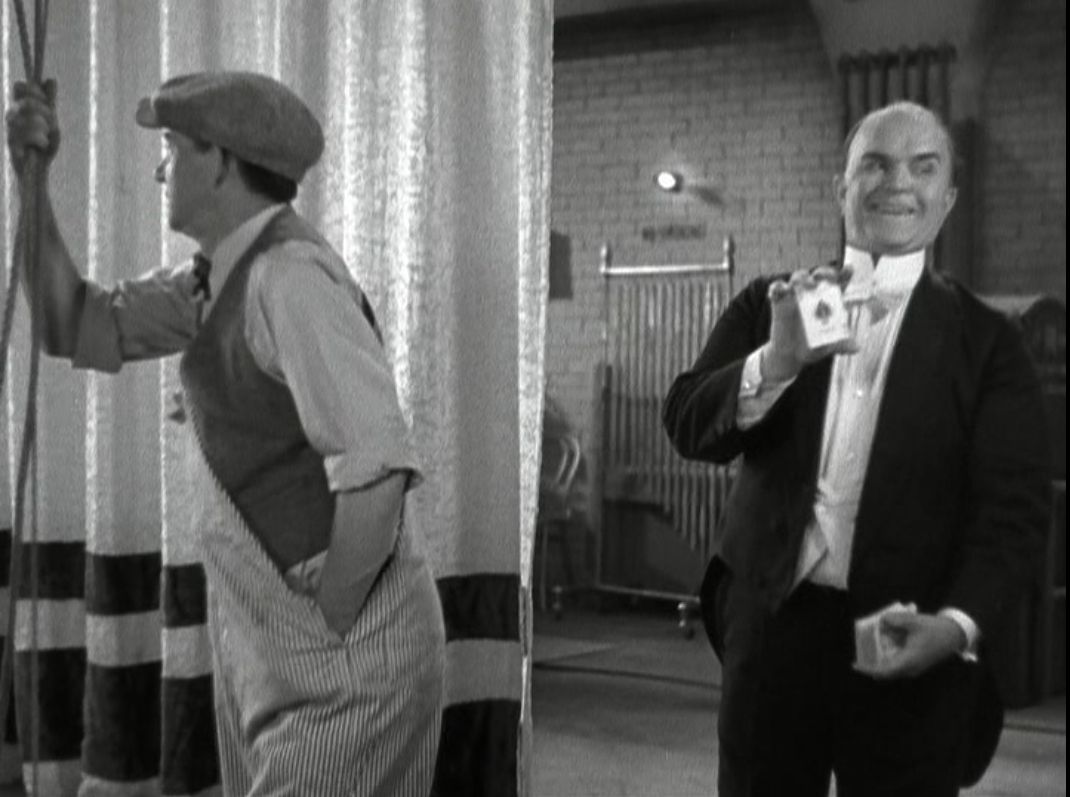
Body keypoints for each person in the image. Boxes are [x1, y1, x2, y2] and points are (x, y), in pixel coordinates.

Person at [6, 72, 445, 796]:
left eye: (173, 149)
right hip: (273, 656)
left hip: (343, 668)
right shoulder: (211, 285)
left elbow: (377, 469)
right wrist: (32, 180)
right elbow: (67, 322)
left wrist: (327, 630)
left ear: (220, 160)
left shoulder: (287, 277)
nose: (160, 170)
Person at [663, 101, 1051, 797]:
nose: (897, 181)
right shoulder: (769, 304)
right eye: (875, 163)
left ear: (948, 198)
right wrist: (775, 362)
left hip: (906, 633)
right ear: (839, 186)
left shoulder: (991, 341)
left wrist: (956, 625)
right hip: (769, 628)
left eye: (923, 167)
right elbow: (688, 422)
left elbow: (1014, 512)